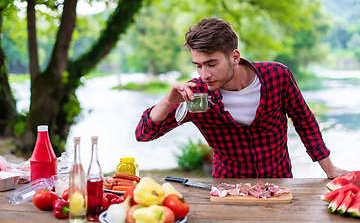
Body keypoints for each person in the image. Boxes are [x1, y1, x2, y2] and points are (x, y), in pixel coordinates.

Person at [135, 17, 351, 179]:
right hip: (226, 188)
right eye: (198, 65)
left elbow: (305, 122)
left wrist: (329, 169)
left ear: (234, 57)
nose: (204, 74)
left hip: (280, 184)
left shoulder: (277, 76)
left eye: (211, 64)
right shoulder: (196, 94)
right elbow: (143, 134)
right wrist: (168, 102)